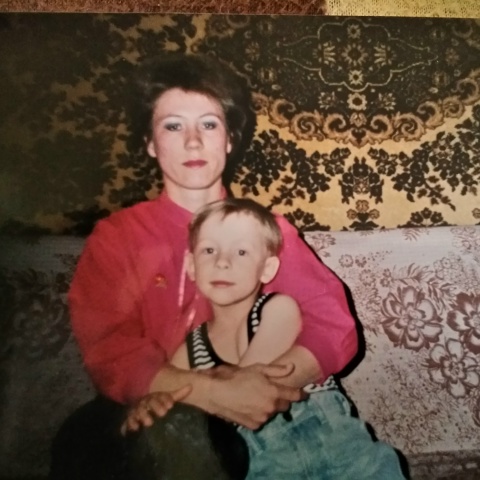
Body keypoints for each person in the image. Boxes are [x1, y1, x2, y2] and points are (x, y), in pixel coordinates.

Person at [50, 53, 358, 479]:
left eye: (209, 125)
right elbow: (111, 347)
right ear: (150, 142)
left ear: (229, 139)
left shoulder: (270, 230)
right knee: (85, 439)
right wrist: (209, 391)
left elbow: (333, 326)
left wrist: (258, 385)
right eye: (173, 126)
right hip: (168, 419)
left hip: (267, 421)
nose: (193, 142)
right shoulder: (117, 237)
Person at [122, 197, 407, 479]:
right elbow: (179, 411)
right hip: (262, 467)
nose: (222, 262)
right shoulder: (191, 348)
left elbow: (250, 380)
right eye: (209, 250)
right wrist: (153, 405)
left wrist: (202, 392)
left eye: (241, 252)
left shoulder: (278, 308)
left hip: (339, 451)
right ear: (192, 265)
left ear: (267, 268)